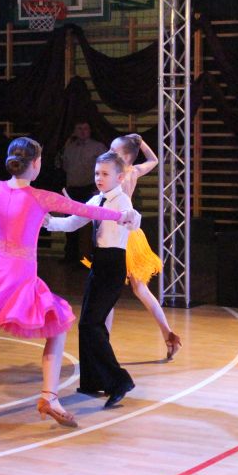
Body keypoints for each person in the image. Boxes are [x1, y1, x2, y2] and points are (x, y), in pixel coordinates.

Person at [0, 136, 140, 427]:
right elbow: (87, 211)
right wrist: (121, 215)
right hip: (20, 275)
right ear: (37, 163)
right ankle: (49, 397)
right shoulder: (41, 197)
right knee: (58, 326)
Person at [45, 151, 137, 408]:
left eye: (105, 174)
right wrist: (49, 222)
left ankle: (119, 381)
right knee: (88, 324)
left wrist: (131, 218)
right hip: (99, 266)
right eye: (97, 173)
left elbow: (133, 219)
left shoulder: (122, 200)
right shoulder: (96, 199)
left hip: (112, 267)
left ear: (119, 177)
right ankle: (93, 380)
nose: (99, 178)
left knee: (91, 324)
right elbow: (73, 223)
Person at [108, 134, 182, 359]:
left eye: (114, 151)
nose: (109, 153)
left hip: (121, 236)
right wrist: (141, 143)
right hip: (129, 234)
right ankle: (168, 334)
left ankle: (102, 346)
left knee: (109, 291)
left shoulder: (119, 176)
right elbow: (154, 160)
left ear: (126, 157)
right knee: (138, 289)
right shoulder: (132, 171)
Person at [59, 121, 106, 264]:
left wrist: (100, 189)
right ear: (74, 131)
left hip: (90, 189)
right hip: (72, 189)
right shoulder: (69, 147)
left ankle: (87, 258)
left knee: (88, 226)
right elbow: (64, 167)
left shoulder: (98, 147)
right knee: (70, 223)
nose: (83, 131)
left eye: (86, 128)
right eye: (79, 128)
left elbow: (106, 168)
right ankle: (70, 257)